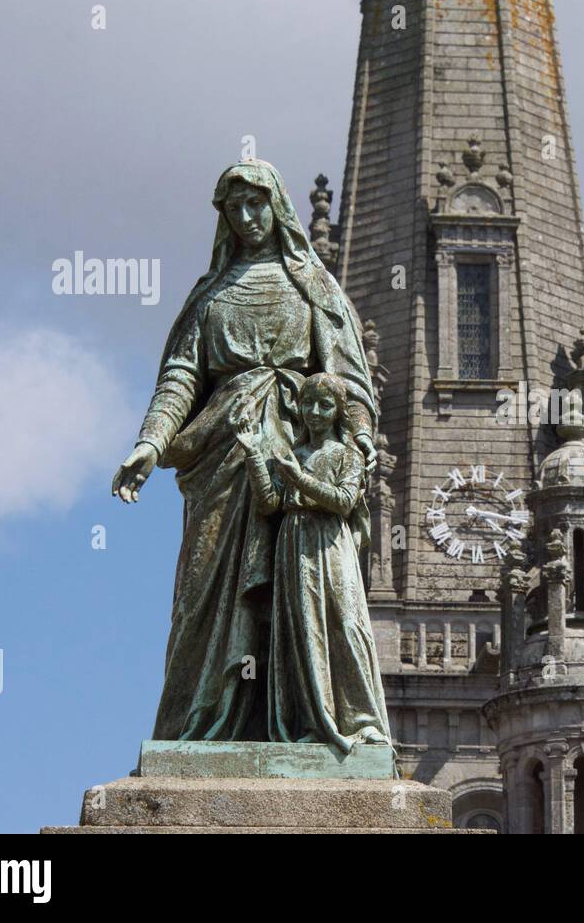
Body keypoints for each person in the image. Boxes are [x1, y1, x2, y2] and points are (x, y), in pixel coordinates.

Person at [110, 160, 378, 741]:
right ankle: (202, 723)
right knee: (200, 597)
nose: (248, 217)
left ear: (276, 207)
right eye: (236, 209)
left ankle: (299, 722)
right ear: (225, 219)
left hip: (293, 461)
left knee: (299, 592)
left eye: (257, 204)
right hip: (222, 456)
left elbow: (347, 379)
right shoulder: (209, 295)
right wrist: (151, 442)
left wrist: (356, 442)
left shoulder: (313, 286)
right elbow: (181, 376)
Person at [233, 373, 391, 750]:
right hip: (294, 544)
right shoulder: (294, 454)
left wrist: (299, 479)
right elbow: (271, 503)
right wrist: (255, 453)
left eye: (325, 405)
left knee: (346, 623)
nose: (316, 412)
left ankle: (362, 720)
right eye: (308, 404)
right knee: (305, 631)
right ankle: (313, 721)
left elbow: (343, 501)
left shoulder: (347, 453)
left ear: (339, 411)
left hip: (330, 545)